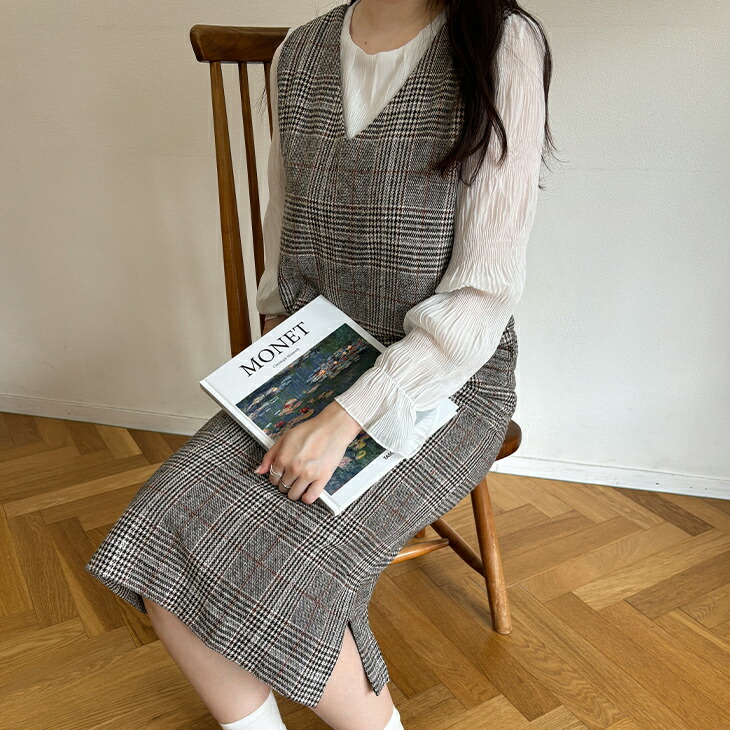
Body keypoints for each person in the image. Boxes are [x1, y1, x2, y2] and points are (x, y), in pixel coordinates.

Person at [85, 0, 556, 728]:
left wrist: (345, 418)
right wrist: (276, 367)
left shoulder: (501, 44)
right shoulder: (301, 51)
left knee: (288, 568)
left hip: (445, 380)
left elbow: (481, 299)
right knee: (161, 527)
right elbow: (286, 232)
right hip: (320, 357)